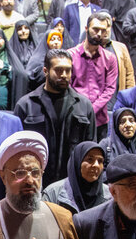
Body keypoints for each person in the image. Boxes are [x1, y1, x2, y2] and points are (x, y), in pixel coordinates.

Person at [13, 49, 95, 186]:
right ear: (45, 71)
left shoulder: (84, 106)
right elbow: (16, 150)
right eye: (58, 70)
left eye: (68, 70)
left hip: (72, 183)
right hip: (34, 183)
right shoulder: (26, 105)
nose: (64, 75)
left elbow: (90, 148)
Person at [70, 12, 121, 134]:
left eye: (103, 30)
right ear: (86, 28)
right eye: (95, 29)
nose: (99, 34)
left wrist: (92, 109)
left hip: (99, 120)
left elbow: (110, 89)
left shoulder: (110, 58)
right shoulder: (70, 55)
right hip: (75, 116)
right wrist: (81, 109)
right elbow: (68, 86)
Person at [42, 141, 109, 214]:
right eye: (90, 159)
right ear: (77, 162)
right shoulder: (53, 193)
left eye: (100, 161)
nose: (96, 165)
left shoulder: (109, 195)